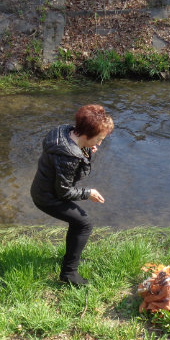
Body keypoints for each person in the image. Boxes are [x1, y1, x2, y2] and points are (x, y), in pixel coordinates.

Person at [30, 104, 113, 286]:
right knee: (84, 224)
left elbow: (71, 168)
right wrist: (88, 193)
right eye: (99, 139)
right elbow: (65, 191)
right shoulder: (69, 156)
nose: (99, 143)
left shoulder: (62, 131)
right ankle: (69, 274)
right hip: (47, 198)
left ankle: (71, 258)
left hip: (42, 188)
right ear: (86, 134)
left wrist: (86, 151)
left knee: (78, 223)